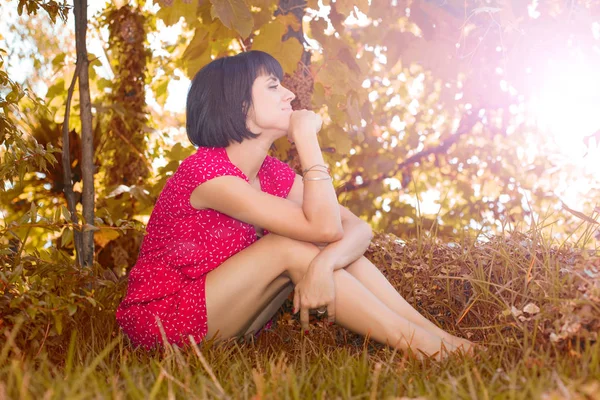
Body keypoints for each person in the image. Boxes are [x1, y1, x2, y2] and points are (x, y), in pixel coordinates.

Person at [116, 50, 477, 361]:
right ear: (239, 104)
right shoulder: (207, 173)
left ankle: (444, 341)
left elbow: (355, 227)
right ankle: (425, 348)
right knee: (287, 246)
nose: (289, 93)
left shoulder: (271, 172)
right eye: (273, 86)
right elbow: (325, 227)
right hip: (162, 322)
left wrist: (325, 264)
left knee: (323, 247)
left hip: (222, 318)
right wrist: (306, 138)